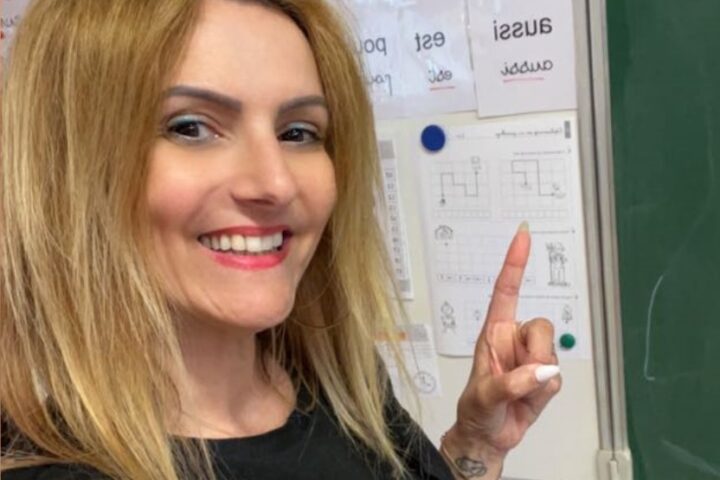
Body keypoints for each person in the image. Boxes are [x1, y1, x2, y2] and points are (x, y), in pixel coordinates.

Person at [0, 0, 561, 478]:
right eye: (190, 127)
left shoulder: (343, 389)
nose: (276, 182)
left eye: (297, 132)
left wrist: (476, 445)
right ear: (67, 166)